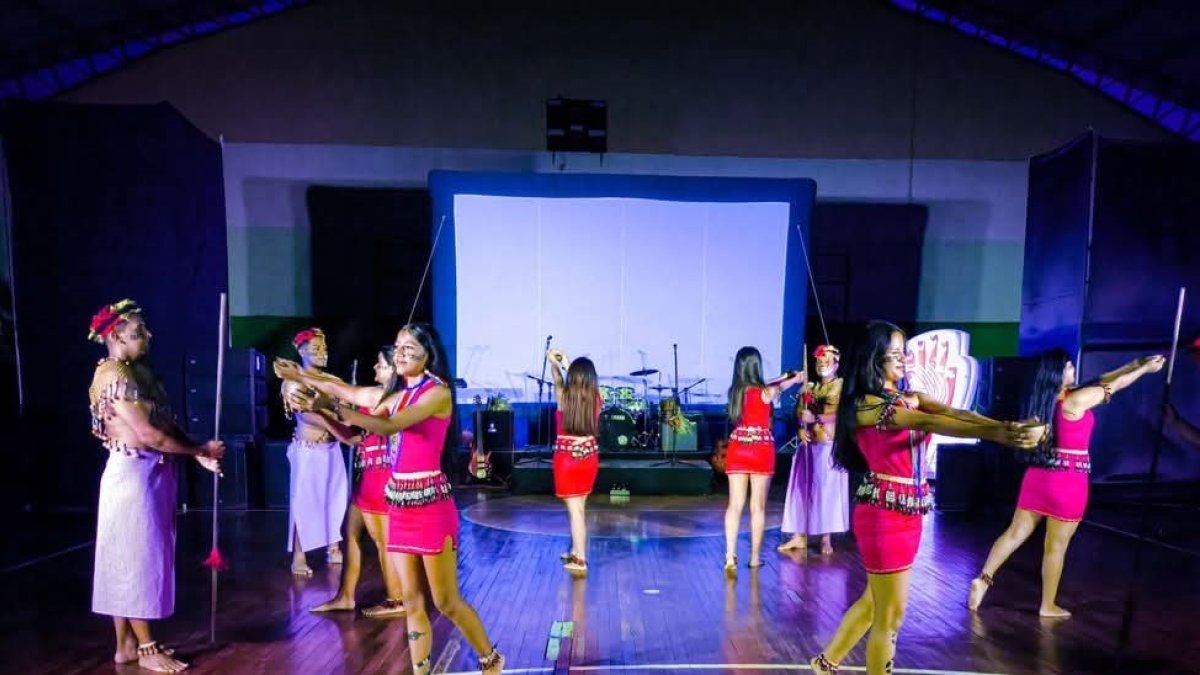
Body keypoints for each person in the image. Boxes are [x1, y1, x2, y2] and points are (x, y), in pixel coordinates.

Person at [809, 320, 1042, 675]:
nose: (903, 358)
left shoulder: (908, 397)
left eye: (904, 352)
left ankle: (824, 665)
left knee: (874, 602)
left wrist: (1005, 426)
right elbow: (929, 423)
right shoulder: (864, 405)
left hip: (909, 513)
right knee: (891, 615)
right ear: (873, 358)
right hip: (883, 515)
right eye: (895, 353)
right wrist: (999, 436)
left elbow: (953, 413)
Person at [275, 324, 505, 674]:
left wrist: (328, 405)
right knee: (411, 602)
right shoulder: (396, 393)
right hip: (399, 506)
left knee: (445, 601)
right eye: (398, 347)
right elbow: (350, 391)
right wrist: (302, 376)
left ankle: (490, 659)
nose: (400, 353)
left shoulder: (436, 393)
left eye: (409, 347)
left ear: (428, 354)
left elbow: (388, 426)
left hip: (431, 508)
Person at [968, 350, 1164, 617]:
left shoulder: (1044, 400)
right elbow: (1114, 385)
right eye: (1069, 367)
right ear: (1057, 375)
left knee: (1014, 534)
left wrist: (1135, 363)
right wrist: (1144, 371)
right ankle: (1047, 605)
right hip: (1068, 481)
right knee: (1056, 547)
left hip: (1038, 476)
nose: (1073, 370)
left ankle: (984, 579)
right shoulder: (1076, 400)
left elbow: (1101, 379)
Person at [87, 299, 225, 673]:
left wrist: (196, 452)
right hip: (132, 477)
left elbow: (165, 424)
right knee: (134, 560)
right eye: (138, 332)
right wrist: (198, 450)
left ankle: (126, 645)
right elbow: (150, 435)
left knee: (127, 557)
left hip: (149, 474)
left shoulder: (138, 373)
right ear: (116, 337)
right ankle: (146, 647)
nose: (148, 335)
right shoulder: (114, 375)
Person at [311, 347, 406, 617]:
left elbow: (346, 395)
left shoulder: (390, 398)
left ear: (393, 370)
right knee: (350, 533)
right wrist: (320, 414)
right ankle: (345, 597)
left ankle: (397, 600)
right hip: (367, 477)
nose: (375, 367)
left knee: (382, 541)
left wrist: (319, 393)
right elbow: (353, 438)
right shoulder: (372, 400)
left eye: (380, 364)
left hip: (381, 478)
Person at [722, 346, 805, 572]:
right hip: (760, 449)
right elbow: (777, 388)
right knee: (757, 507)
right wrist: (795, 379)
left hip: (738, 447)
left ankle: (730, 555)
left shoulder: (734, 392)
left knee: (734, 505)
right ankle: (754, 558)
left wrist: (787, 378)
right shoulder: (767, 391)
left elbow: (771, 385)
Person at [282, 327, 348, 576]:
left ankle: (333, 547)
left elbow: (349, 406)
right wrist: (337, 418)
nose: (322, 353)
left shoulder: (333, 381)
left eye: (324, 348)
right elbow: (306, 414)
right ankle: (299, 557)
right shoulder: (293, 380)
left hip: (332, 448)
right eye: (316, 349)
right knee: (305, 503)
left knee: (335, 499)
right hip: (308, 451)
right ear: (302, 351)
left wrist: (340, 415)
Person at [779, 344, 849, 556]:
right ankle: (799, 535)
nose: (821, 365)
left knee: (826, 492)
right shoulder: (809, 387)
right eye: (818, 361)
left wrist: (817, 417)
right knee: (802, 490)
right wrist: (801, 428)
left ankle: (826, 537)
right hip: (808, 446)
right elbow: (800, 415)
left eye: (826, 361)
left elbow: (844, 414)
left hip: (828, 444)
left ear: (836, 363)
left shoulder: (841, 386)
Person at [547, 348, 603, 573]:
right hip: (588, 457)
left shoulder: (563, 397)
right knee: (580, 507)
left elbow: (558, 380)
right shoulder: (596, 399)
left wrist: (554, 363)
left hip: (568, 459)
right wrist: (566, 361)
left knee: (575, 510)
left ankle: (580, 558)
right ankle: (575, 549)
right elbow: (579, 382)